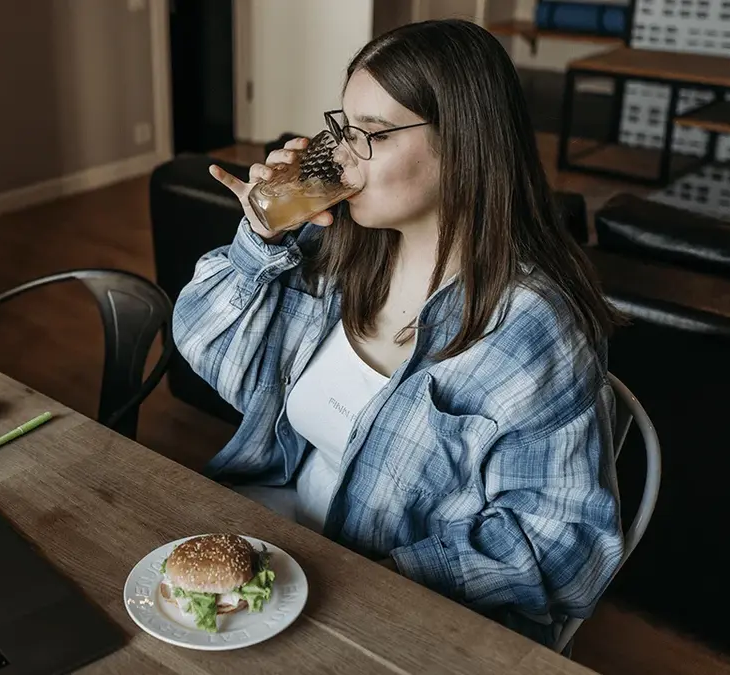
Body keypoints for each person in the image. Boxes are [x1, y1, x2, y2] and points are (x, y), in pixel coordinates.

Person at [172, 19, 625, 647]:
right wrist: (259, 240)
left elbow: (559, 544)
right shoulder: (330, 253)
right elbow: (206, 350)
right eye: (343, 130)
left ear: (465, 143)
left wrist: (365, 582)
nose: (342, 156)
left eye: (373, 135)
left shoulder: (531, 331)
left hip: (399, 614)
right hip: (277, 561)